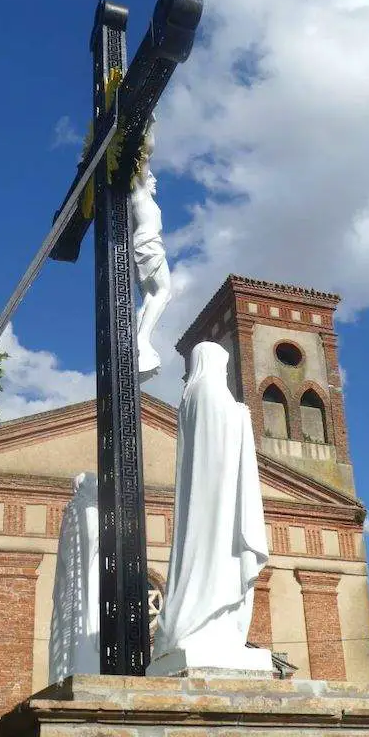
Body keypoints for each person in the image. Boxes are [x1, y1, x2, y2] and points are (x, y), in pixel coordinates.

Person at [150, 341, 269, 670]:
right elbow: (220, 440)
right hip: (219, 498)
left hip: (204, 497)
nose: (225, 372)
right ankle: (206, 623)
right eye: (223, 365)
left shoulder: (189, 396)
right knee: (219, 559)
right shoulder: (211, 392)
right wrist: (241, 416)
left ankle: (204, 626)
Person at [131, 113, 171, 382]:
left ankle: (137, 342)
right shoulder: (139, 191)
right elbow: (145, 154)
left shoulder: (143, 197)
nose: (153, 180)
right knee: (165, 291)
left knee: (150, 296)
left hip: (145, 245)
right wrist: (149, 123)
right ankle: (142, 340)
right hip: (148, 245)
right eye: (151, 177)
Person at [48, 472, 100, 682]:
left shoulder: (71, 512)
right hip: (89, 580)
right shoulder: (89, 510)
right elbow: (92, 541)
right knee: (86, 621)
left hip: (70, 586)